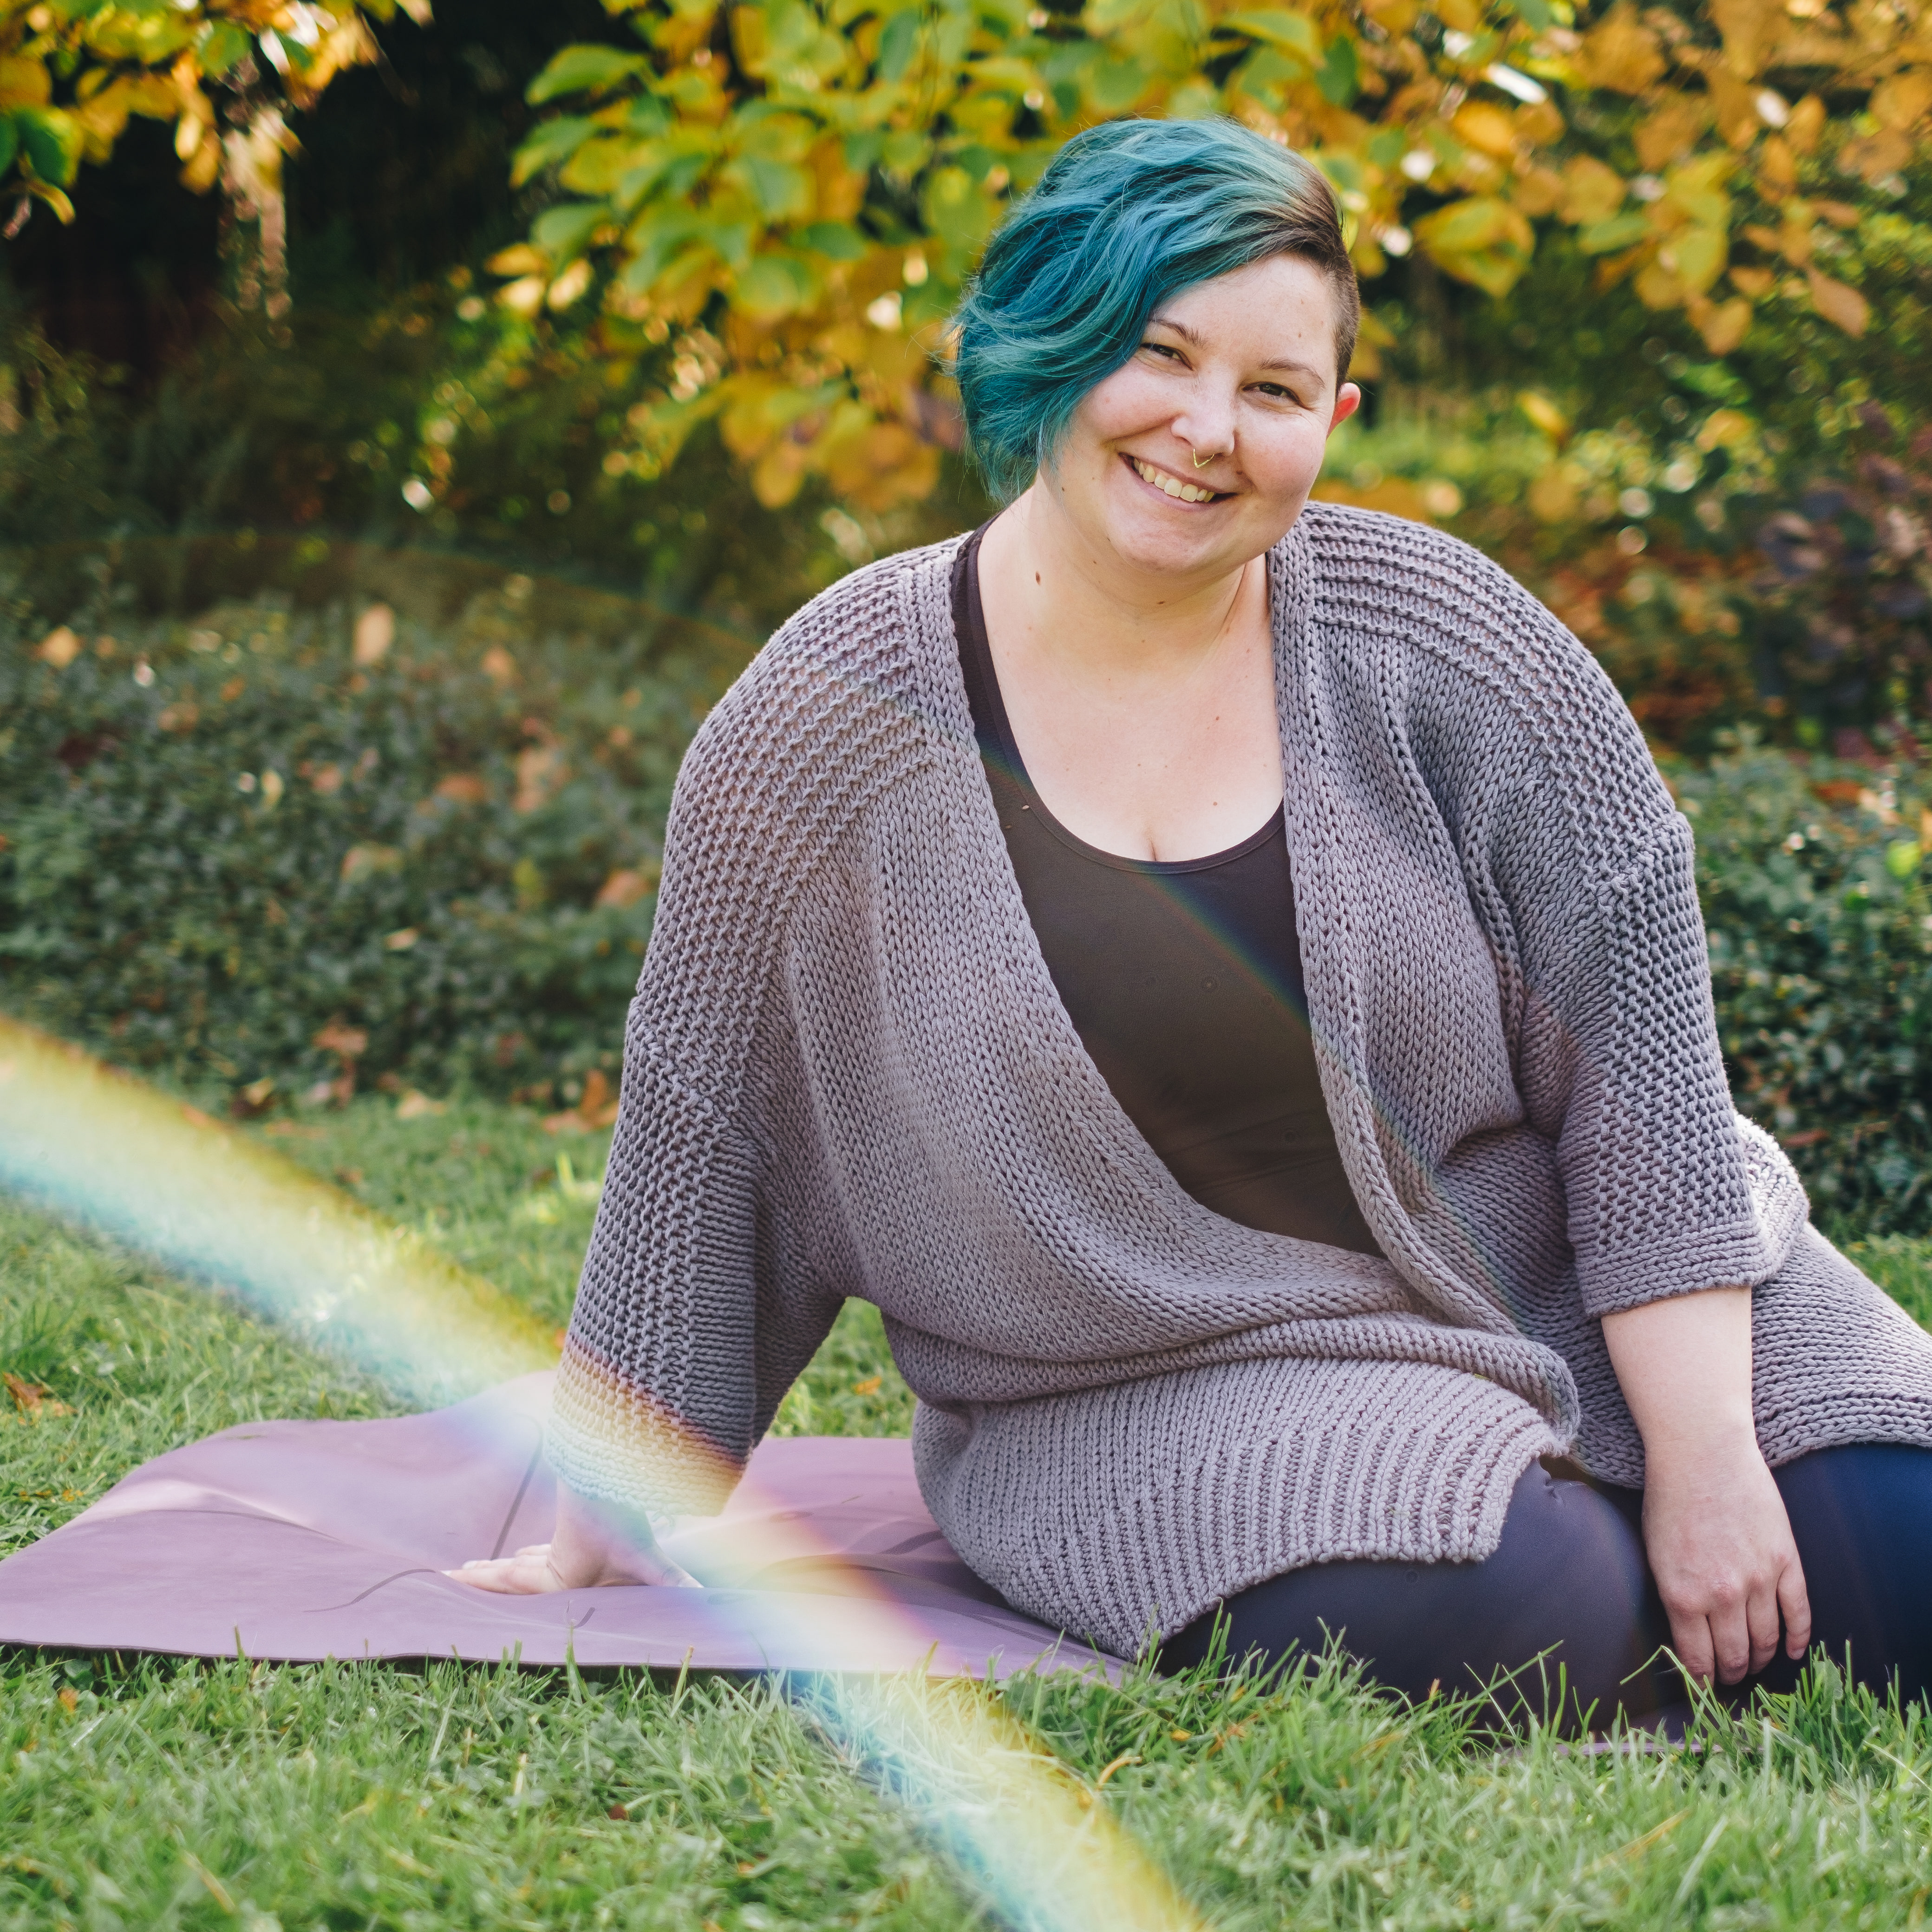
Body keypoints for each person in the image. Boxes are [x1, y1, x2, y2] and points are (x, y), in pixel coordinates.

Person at [452, 117, 1932, 1729]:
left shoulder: (1458, 650)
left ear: (1334, 419)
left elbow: (1650, 1103)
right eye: (1158, 355)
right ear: (1051, 342)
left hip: (1567, 1280)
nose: (1208, 431)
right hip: (1156, 1380)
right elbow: (705, 1132)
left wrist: (1708, 1459)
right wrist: (613, 1506)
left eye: (1274, 390)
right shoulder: (827, 720)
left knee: (1905, 1547)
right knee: (1539, 1613)